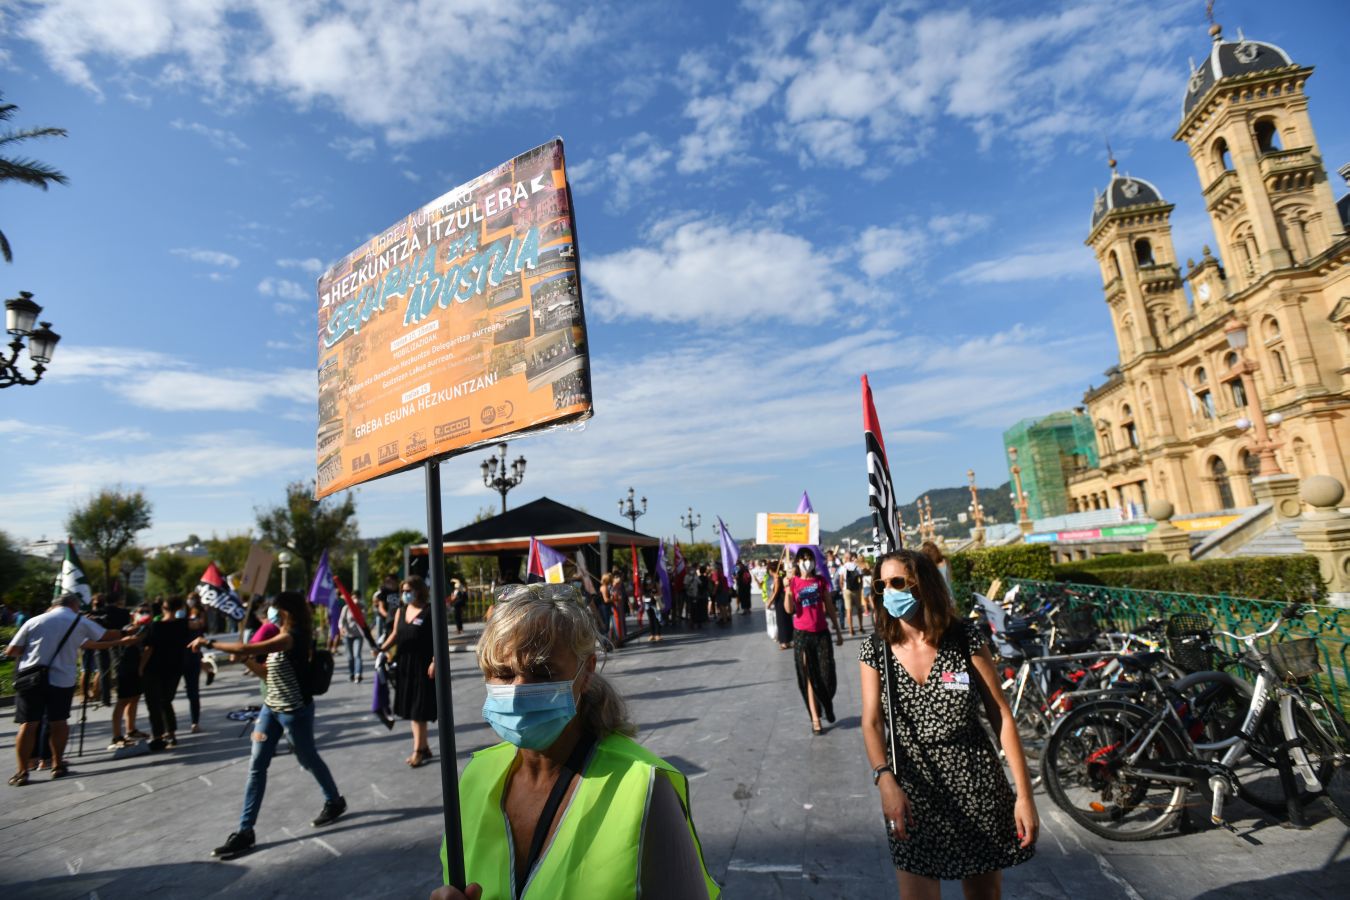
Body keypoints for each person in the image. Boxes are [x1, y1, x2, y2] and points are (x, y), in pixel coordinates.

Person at [431, 583, 720, 900]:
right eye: (502, 672)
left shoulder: (643, 787)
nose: (517, 690)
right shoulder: (476, 776)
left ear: (586, 672)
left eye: (542, 672)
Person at [859, 549, 1037, 899]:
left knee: (984, 895)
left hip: (976, 784)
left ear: (923, 584)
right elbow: (871, 722)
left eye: (898, 582)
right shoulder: (876, 649)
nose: (890, 591)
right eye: (882, 585)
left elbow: (1001, 714)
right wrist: (885, 780)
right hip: (914, 793)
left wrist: (1025, 796)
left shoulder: (963, 637)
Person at [193, 591, 347, 859]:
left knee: (308, 758)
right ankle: (245, 831)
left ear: (286, 612)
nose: (269, 614)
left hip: (294, 712)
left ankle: (334, 801)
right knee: (257, 766)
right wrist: (247, 661)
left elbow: (245, 648)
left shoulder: (291, 638)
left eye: (274, 610)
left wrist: (210, 642)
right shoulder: (279, 637)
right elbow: (266, 672)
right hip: (270, 709)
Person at [6, 593, 135, 785]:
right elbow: (104, 635)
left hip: (31, 680)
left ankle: (22, 771)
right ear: (73, 604)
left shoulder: (34, 620)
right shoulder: (78, 621)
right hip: (61, 680)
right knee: (58, 722)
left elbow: (12, 651)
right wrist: (126, 633)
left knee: (28, 724)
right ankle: (57, 765)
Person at [378, 576, 437, 768]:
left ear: (419, 591)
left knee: (418, 711)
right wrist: (381, 649)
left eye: (408, 590)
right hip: (405, 666)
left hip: (423, 666)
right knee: (412, 709)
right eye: (403, 590)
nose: (405, 594)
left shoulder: (430, 612)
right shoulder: (401, 611)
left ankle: (418, 751)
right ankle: (425, 746)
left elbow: (438, 639)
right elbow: (395, 634)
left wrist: (436, 661)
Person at [784, 547, 842, 735]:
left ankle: (826, 703)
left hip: (821, 633)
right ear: (797, 562)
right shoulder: (793, 583)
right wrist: (787, 591)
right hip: (802, 634)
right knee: (808, 676)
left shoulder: (820, 581)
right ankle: (815, 719)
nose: (806, 562)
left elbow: (829, 606)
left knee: (826, 675)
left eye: (809, 558)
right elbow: (789, 610)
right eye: (802, 559)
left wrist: (838, 629)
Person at [139, 595, 191, 751]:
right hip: (175, 667)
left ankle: (158, 735)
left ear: (163, 607)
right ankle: (171, 733)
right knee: (166, 700)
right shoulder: (183, 624)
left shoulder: (155, 626)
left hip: (155, 668)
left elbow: (149, 648)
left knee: (153, 703)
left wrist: (141, 666)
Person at [109, 604, 153, 749]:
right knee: (122, 701)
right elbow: (131, 638)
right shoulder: (128, 628)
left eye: (147, 611)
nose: (145, 614)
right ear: (134, 614)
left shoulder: (149, 628)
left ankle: (131, 729)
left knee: (134, 698)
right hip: (125, 668)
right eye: (141, 612)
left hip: (138, 669)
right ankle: (117, 736)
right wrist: (141, 628)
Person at [182, 594, 208, 734]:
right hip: (182, 659)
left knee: (193, 692)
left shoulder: (199, 614)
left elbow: (201, 625)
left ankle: (194, 722)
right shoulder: (182, 617)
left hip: (192, 657)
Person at [767, 559, 793, 650]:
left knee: (781, 621)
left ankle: (784, 642)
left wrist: (769, 602)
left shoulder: (777, 578)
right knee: (786, 620)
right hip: (783, 599)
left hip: (780, 601)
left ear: (771, 570)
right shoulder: (781, 575)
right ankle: (788, 640)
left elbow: (776, 591)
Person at [840, 551, 866, 637]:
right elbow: (861, 578)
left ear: (846, 558)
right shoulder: (857, 567)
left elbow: (841, 580)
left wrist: (842, 589)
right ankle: (861, 626)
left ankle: (851, 629)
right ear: (851, 558)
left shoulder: (843, 567)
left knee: (848, 610)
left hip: (846, 590)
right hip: (856, 590)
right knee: (859, 609)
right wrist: (860, 587)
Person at [339, 600, 364, 683]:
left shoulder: (361, 608)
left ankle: (358, 674)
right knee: (350, 656)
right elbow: (341, 620)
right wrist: (341, 628)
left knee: (357, 654)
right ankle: (352, 673)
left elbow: (364, 620)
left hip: (358, 635)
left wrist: (359, 609)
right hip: (347, 635)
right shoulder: (346, 608)